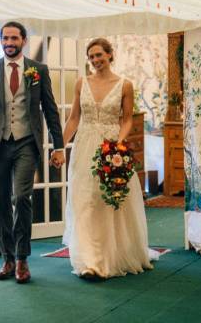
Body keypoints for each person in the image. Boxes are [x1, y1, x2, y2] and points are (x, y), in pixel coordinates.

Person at [0, 21, 65, 284]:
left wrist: (58, 146)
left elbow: (50, 109)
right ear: (0, 41)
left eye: (14, 38)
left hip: (26, 142)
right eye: (5, 38)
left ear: (23, 40)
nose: (9, 43)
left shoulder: (38, 70)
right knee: (1, 201)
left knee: (22, 196)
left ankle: (23, 258)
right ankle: (8, 258)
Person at [61, 37, 158, 280]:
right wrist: (58, 146)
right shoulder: (81, 83)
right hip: (84, 147)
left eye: (99, 55)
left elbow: (127, 119)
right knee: (84, 201)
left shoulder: (125, 85)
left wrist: (118, 145)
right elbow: (74, 118)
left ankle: (111, 255)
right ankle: (89, 261)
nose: (96, 60)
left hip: (111, 148)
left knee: (109, 201)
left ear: (110, 55)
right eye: (92, 57)